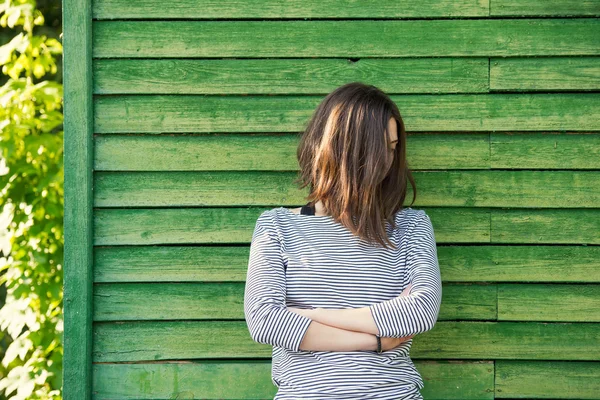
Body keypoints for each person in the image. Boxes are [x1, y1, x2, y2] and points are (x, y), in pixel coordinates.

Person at [244, 82, 443, 399]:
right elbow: (265, 323)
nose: (389, 160)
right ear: (345, 148)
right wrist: (375, 340)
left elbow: (418, 313)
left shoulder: (410, 226)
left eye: (393, 148)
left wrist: (309, 315)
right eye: (381, 149)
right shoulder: (278, 226)